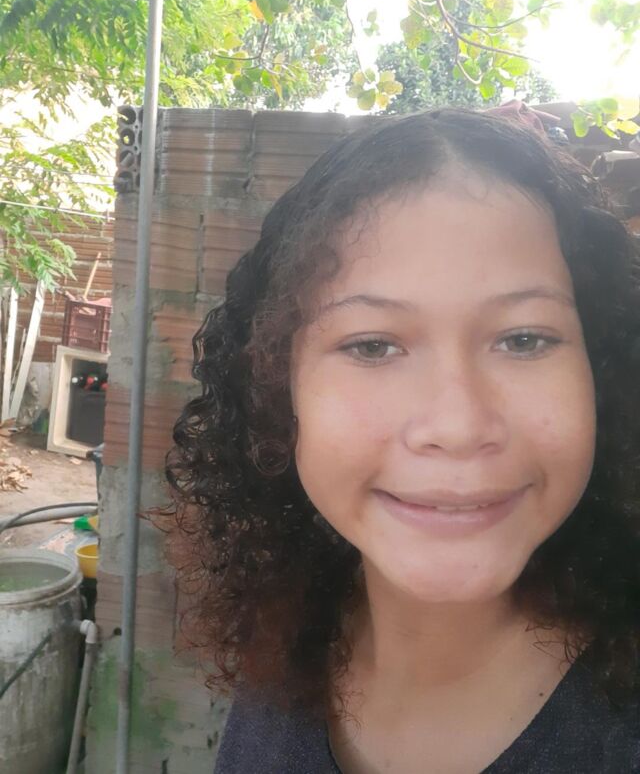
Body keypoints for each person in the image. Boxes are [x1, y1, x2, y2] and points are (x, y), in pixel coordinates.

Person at [165, 108, 640, 773]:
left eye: (523, 338)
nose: (457, 425)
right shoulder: (294, 636)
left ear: (604, 370)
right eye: (372, 345)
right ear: (277, 389)